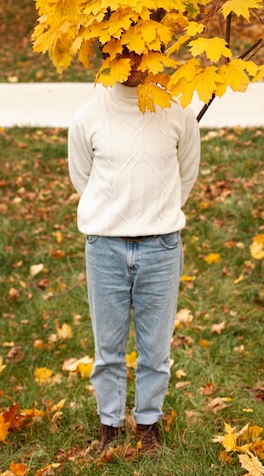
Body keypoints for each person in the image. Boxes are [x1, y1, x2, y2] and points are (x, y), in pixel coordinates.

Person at [68, 54, 201, 457]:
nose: (132, 62)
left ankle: (147, 425)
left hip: (160, 247)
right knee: (107, 349)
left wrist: (157, 215)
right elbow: (83, 178)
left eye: (140, 52)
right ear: (107, 56)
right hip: (104, 247)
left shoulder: (177, 112)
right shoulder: (88, 117)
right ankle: (109, 425)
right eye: (120, 52)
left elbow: (186, 175)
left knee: (155, 349)